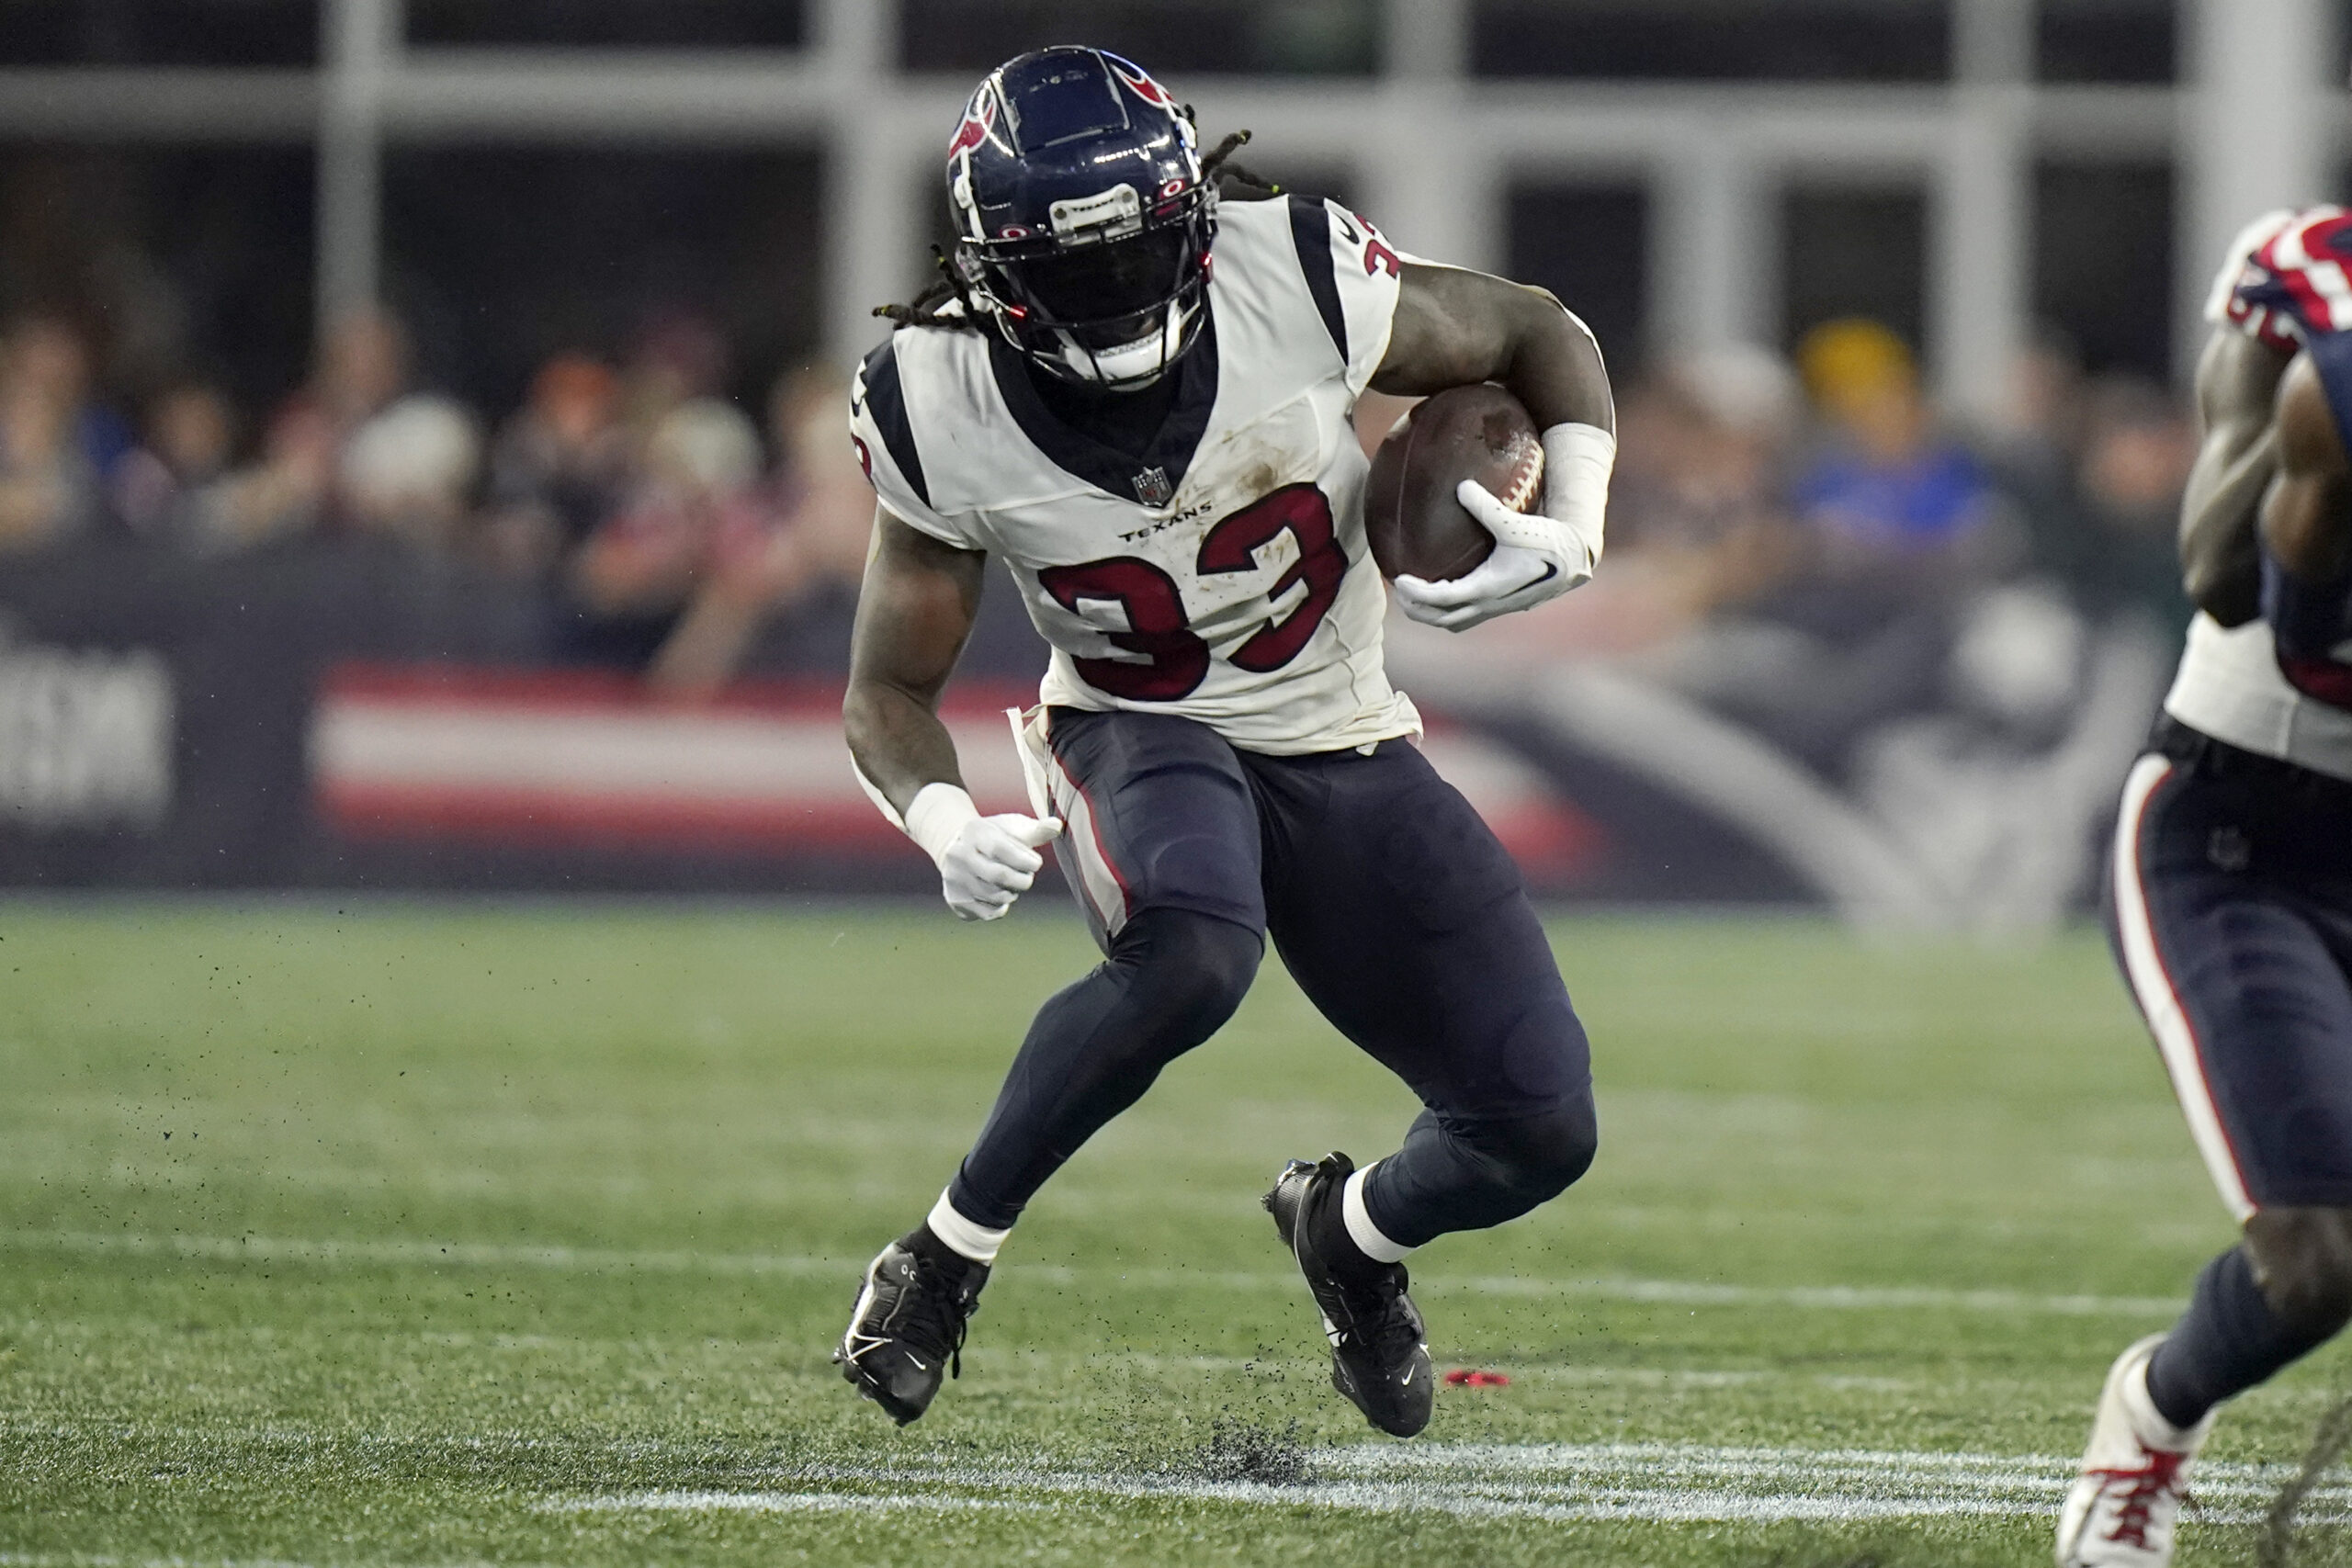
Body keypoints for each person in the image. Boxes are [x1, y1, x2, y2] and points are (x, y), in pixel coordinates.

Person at [833, 46, 1614, 1438]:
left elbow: (1539, 331)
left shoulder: (1292, 272)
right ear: (994, 269)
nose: (1119, 291)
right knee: (1194, 950)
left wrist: (1581, 519)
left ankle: (1351, 1239)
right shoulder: (936, 399)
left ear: (1193, 215)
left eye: (1140, 249)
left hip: (1340, 727)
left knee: (1539, 1125)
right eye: (1076, 268)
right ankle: (942, 1260)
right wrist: (942, 819)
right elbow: (889, 691)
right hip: (1139, 727)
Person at [2057, 205, 2352, 1565]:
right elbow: (2221, 569)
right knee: (2315, 1259)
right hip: (2245, 829)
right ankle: (2153, 1420)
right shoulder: (2316, 300)